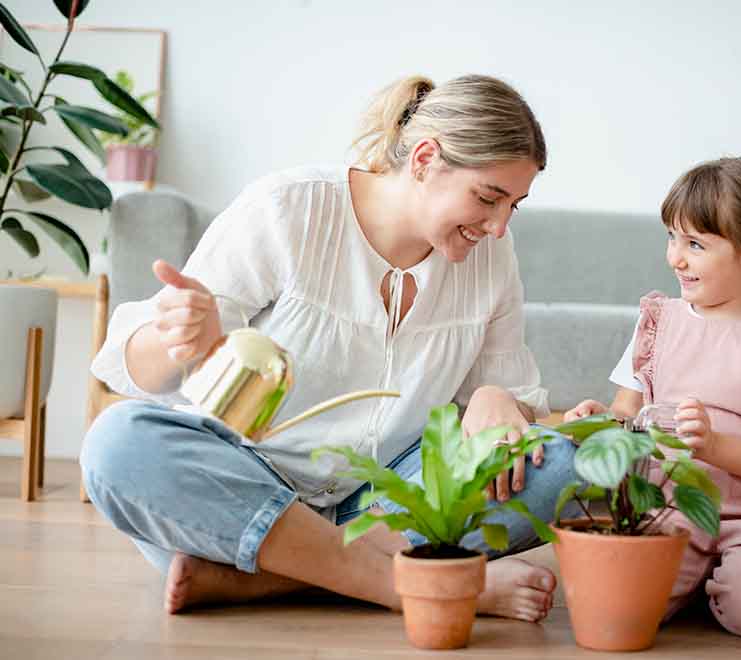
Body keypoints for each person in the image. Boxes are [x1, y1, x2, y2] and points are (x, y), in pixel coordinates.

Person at [81, 74, 577, 623]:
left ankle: (263, 579)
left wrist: (494, 398)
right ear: (425, 159)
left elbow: (511, 410)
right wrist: (175, 340)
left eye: (515, 205)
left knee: (560, 464)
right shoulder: (289, 209)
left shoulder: (492, 261)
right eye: (488, 198)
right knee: (118, 443)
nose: (501, 226)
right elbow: (136, 370)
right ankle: (406, 582)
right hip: (244, 484)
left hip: (384, 499)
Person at [564, 157, 741, 639]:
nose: (675, 258)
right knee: (622, 609)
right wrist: (598, 420)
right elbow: (627, 413)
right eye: (672, 238)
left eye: (695, 244)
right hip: (671, 506)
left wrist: (714, 447)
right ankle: (708, 575)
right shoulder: (657, 322)